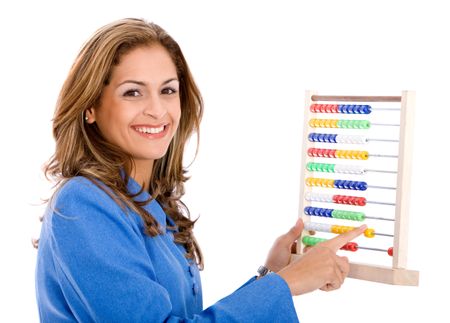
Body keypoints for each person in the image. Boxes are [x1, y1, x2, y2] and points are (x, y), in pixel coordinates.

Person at [35, 18, 366, 322]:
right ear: (90, 107)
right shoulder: (82, 204)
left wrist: (271, 275)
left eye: (167, 90)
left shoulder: (151, 204)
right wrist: (285, 284)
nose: (157, 110)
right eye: (133, 92)